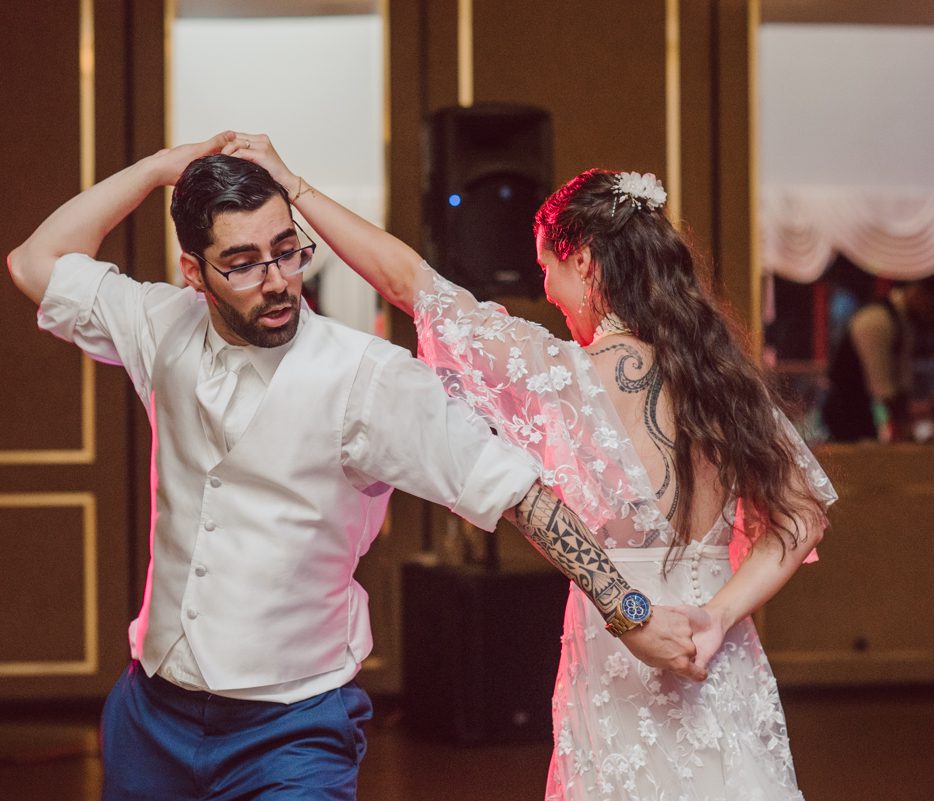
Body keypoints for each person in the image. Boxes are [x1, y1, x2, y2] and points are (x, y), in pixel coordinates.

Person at [5, 132, 707, 801]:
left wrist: (630, 611)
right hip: (150, 717)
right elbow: (35, 261)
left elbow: (517, 490)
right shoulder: (159, 324)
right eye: (243, 262)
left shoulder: (367, 376)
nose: (277, 280)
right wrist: (162, 165)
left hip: (292, 730)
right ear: (194, 271)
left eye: (287, 250)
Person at [232, 134, 838, 801]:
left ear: (584, 261)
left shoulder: (562, 375)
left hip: (619, 657)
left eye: (548, 267)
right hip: (723, 660)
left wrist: (296, 186)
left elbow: (410, 284)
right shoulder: (724, 374)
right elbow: (800, 518)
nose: (547, 290)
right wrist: (720, 615)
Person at [822, 271, 934, 443]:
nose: (933, 315)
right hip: (847, 414)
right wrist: (905, 428)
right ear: (919, 293)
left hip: (862, 411)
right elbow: (883, 388)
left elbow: (901, 381)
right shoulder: (877, 320)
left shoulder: (902, 322)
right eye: (933, 307)